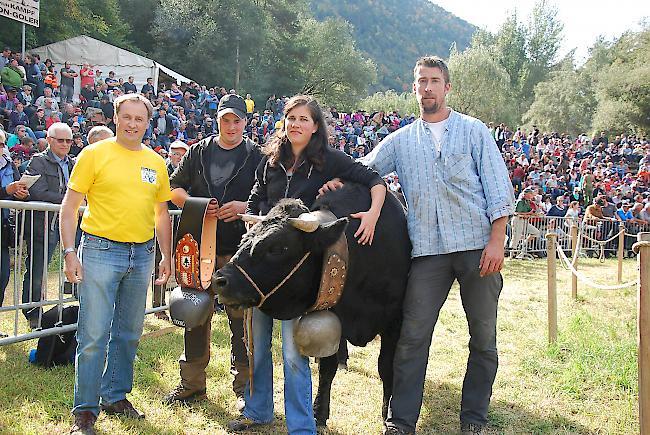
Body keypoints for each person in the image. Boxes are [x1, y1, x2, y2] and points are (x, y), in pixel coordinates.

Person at [329, 56, 514, 435]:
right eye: (420, 82)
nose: (427, 88)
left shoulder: (474, 131)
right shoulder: (400, 141)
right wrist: (335, 180)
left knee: (483, 336)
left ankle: (474, 418)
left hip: (477, 247)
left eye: (434, 81)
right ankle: (401, 422)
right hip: (428, 252)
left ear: (447, 88)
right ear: (413, 89)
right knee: (412, 337)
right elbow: (365, 167)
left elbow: (498, 187)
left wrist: (497, 239)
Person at [230, 94, 386, 434]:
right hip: (262, 265)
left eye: (303, 119)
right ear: (283, 123)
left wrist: (372, 214)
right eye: (291, 118)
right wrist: (250, 218)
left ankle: (301, 426)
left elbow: (374, 179)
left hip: (297, 273)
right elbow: (257, 196)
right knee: (256, 343)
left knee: (293, 351)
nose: (296, 124)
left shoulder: (329, 160)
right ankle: (257, 411)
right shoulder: (269, 159)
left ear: (316, 126)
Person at [60, 93, 172, 435]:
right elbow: (69, 206)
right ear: (115, 117)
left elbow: (161, 213)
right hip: (99, 250)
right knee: (93, 334)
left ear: (147, 123)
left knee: (128, 334)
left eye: (140, 119)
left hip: (141, 255)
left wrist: (165, 255)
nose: (133, 124)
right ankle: (85, 410)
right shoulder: (94, 154)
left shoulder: (156, 162)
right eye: (127, 117)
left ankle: (116, 395)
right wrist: (68, 252)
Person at [164, 94, 262, 409]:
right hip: (199, 246)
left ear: (245, 122)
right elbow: (173, 189)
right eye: (225, 120)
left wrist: (245, 207)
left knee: (241, 323)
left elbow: (270, 197)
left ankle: (245, 390)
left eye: (236, 120)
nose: (231, 126)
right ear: (216, 120)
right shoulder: (197, 152)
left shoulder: (257, 156)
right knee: (194, 314)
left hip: (240, 250)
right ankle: (191, 385)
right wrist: (198, 205)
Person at [21, 123, 76, 329]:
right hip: (44, 225)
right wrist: (71, 201)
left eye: (68, 140)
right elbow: (38, 192)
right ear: (49, 140)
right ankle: (33, 313)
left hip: (70, 223)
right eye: (60, 140)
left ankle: (74, 310)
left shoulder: (74, 163)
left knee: (77, 265)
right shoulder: (38, 161)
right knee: (37, 270)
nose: (64, 144)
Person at [0, 129, 29, 309]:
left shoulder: (10, 165)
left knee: (2, 278)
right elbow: (6, 192)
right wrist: (5, 191)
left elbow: (20, 189)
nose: (1, 148)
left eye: (2, 144)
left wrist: (21, 194)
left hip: (2, 230)